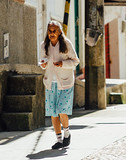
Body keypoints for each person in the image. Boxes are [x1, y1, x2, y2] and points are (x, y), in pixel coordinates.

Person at [39, 20, 80, 149]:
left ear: (59, 32)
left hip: (65, 82)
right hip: (50, 82)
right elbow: (42, 61)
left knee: (62, 110)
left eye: (54, 31)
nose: (51, 34)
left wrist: (63, 64)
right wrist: (43, 64)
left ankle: (67, 133)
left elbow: (75, 61)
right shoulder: (44, 45)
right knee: (53, 112)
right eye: (50, 31)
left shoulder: (66, 44)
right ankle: (58, 139)